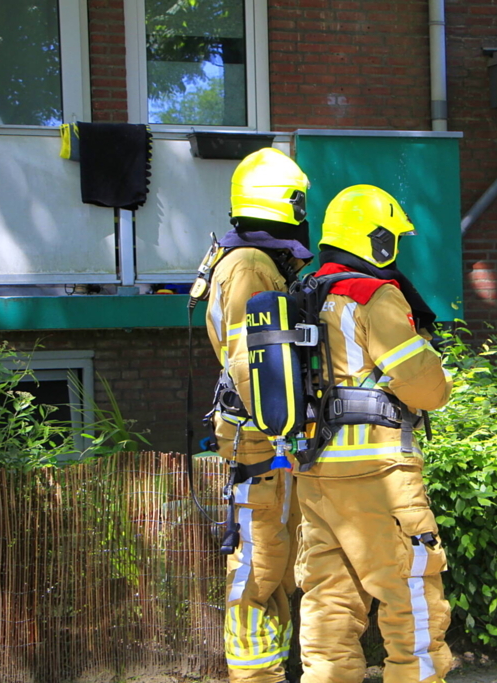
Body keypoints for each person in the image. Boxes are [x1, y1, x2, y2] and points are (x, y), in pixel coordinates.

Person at [294, 184, 453, 683]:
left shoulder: (302, 294)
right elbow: (427, 388)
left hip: (315, 473)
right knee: (412, 603)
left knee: (329, 612)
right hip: (380, 473)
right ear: (378, 240)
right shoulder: (373, 294)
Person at [202, 147, 312, 683]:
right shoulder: (249, 266)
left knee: (281, 565)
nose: (302, 210)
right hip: (262, 438)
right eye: (297, 200)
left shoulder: (258, 260)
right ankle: (254, 676)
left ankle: (275, 672)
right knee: (259, 566)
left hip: (271, 438)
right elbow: (253, 360)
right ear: (278, 202)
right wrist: (288, 427)